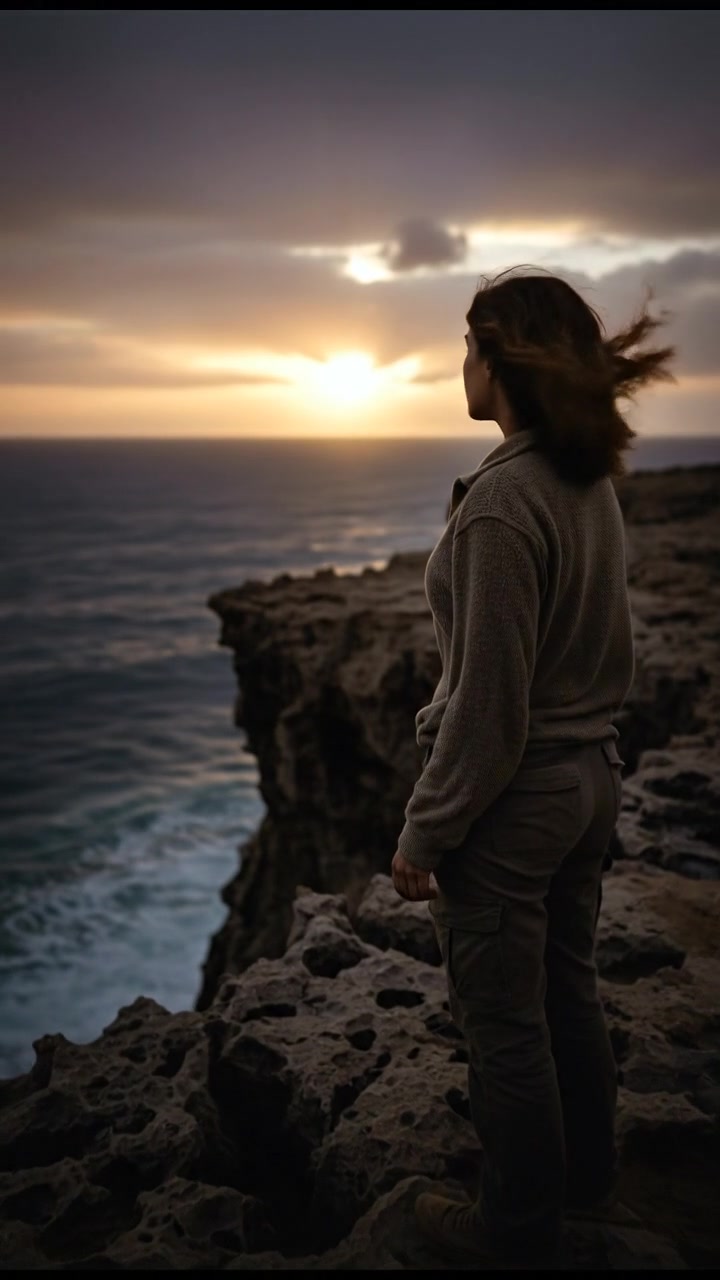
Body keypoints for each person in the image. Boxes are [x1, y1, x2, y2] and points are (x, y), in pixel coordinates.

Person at [390, 268, 674, 1268]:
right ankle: (589, 1190)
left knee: (505, 1026)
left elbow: (489, 703)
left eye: (470, 345)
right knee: (567, 994)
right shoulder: (584, 476)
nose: (459, 364)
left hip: (522, 798)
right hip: (591, 777)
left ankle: (514, 1233)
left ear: (499, 357)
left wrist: (429, 827)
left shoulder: (504, 503)